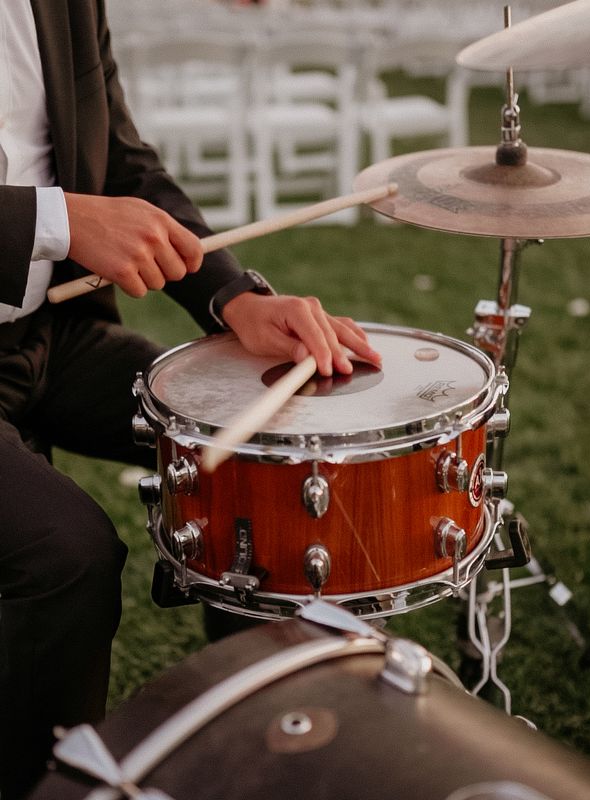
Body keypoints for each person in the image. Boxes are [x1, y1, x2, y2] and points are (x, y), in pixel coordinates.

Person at [0, 2, 381, 797]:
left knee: (267, 448)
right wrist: (53, 220)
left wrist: (235, 298)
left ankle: (267, 751)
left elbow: (123, 158)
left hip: (48, 329)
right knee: (64, 551)